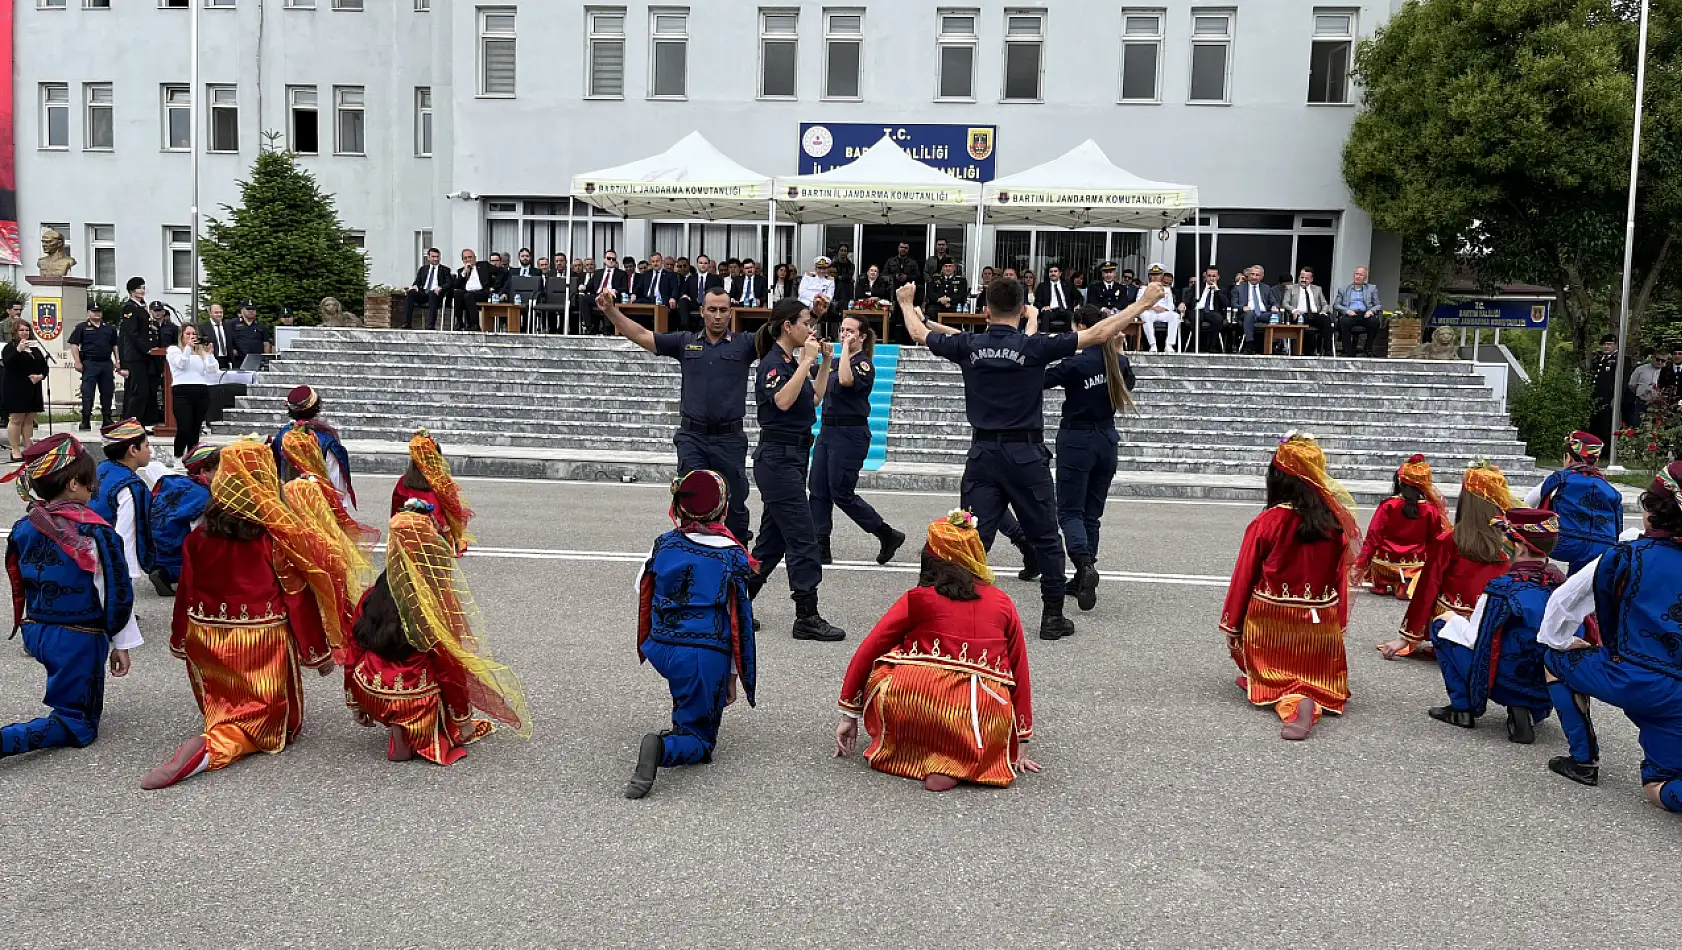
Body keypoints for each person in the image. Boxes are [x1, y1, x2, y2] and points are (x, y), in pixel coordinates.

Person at [902, 276, 1155, 640]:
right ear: (1023, 310)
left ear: (985, 310)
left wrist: (907, 302)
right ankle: (1052, 617)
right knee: (1047, 538)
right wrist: (1143, 302)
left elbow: (919, 334)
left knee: (969, 535)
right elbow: (1099, 334)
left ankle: (957, 613)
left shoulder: (969, 344)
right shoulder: (1034, 346)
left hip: (983, 454)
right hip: (1025, 455)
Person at [141, 439, 355, 790]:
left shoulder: (199, 536)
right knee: (273, 726)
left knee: (223, 697)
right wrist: (316, 653)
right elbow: (296, 599)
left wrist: (180, 639)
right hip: (260, 641)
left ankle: (220, 724)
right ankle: (213, 749)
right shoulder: (273, 538)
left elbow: (186, 593)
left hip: (206, 635)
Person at [834, 510, 1039, 791]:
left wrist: (850, 713)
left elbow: (868, 650)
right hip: (978, 716)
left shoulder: (918, 598)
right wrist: (1021, 739)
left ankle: (915, 752)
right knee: (983, 702)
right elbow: (1020, 670)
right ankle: (957, 759)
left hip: (916, 702)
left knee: (890, 656)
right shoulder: (1002, 603)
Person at [1540, 461, 1682, 813]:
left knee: (1554, 659)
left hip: (1632, 678)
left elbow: (1564, 603)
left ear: (1652, 509)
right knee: (1665, 783)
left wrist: (1560, 642)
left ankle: (1583, 761)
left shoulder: (1626, 555)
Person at [344, 505, 530, 765]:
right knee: (440, 663)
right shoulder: (433, 601)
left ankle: (395, 722)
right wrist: (463, 718)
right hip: (411, 696)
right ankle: (410, 729)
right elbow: (449, 668)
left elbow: (354, 646)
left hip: (369, 687)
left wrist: (355, 701)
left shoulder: (375, 592)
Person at [0, 435, 140, 760]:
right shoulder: (95, 532)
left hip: (37, 630)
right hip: (77, 636)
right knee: (78, 724)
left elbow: (20, 580)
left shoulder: (27, 524)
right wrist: (121, 643)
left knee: (74, 686)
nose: (94, 491)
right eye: (91, 484)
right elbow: (115, 594)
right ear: (74, 484)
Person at [626, 470, 757, 800]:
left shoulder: (664, 542)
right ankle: (664, 747)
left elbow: (641, 583)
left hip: (662, 646)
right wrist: (733, 676)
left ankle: (682, 715)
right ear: (724, 510)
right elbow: (738, 621)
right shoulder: (732, 554)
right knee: (701, 741)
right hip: (702, 650)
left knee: (688, 685)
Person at [1221, 433, 1361, 740]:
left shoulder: (1268, 521)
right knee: (1313, 664)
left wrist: (1233, 624)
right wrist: (1337, 623)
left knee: (1247, 644)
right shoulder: (1334, 524)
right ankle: (1300, 685)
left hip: (1271, 622)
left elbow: (1244, 576)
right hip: (1318, 624)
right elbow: (1340, 581)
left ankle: (1292, 699)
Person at [603, 285, 757, 545]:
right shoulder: (686, 342)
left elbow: (783, 334)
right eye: (712, 310)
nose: (717, 315)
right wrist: (610, 311)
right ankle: (692, 558)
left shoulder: (745, 344)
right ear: (701, 311)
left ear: (731, 313)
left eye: (723, 310)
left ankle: (738, 559)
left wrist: (814, 317)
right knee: (691, 498)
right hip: (692, 438)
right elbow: (642, 334)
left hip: (729, 440)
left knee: (735, 503)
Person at [744, 298, 845, 641]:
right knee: (804, 537)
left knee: (771, 543)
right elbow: (782, 401)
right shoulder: (774, 362)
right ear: (788, 326)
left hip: (794, 457)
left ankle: (735, 604)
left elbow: (813, 398)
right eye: (806, 322)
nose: (811, 329)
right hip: (777, 458)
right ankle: (806, 614)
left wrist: (826, 362)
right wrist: (805, 363)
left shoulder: (791, 361)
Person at [1426, 508, 1564, 740]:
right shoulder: (1561, 582)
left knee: (1441, 626)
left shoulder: (1501, 588)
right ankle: (1530, 709)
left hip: (1505, 681)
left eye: (1505, 540)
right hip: (1549, 681)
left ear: (1518, 548)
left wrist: (1451, 618)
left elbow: (1475, 638)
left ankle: (1462, 709)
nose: (1502, 546)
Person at [1044, 305, 1136, 611]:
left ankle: (1084, 566)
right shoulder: (1118, 361)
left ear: (1083, 327)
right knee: (1091, 514)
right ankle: (1084, 571)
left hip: (1077, 439)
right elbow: (1130, 383)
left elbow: (1041, 380)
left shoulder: (1076, 363)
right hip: (1107, 439)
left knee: (1069, 512)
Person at [1378, 460, 1515, 659]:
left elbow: (1427, 588)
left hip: (1450, 618)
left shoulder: (1450, 540)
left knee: (1425, 583)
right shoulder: (1511, 542)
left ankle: (1448, 641)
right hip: (1493, 619)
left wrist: (1405, 637)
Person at [810, 314, 905, 568]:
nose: (845, 334)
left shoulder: (863, 364)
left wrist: (845, 350)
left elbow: (845, 381)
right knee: (817, 488)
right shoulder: (836, 362)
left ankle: (886, 533)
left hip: (850, 434)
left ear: (862, 336)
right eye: (842, 330)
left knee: (841, 492)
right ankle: (821, 545)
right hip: (828, 431)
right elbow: (812, 375)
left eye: (850, 331)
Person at [1520, 431, 1624, 575]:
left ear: (1568, 458)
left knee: (1521, 538)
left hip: (1565, 543)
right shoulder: (1610, 490)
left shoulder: (1560, 479)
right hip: (1604, 545)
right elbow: (1618, 526)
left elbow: (1527, 503)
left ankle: (1532, 577)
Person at [1350, 454, 1448, 599]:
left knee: (1378, 560)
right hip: (1415, 564)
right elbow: (1436, 541)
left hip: (1384, 564)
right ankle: (1407, 582)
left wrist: (1360, 564)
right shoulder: (1430, 510)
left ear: (1400, 481)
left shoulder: (1388, 505)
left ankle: (1383, 583)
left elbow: (1373, 537)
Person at [90, 419, 156, 596]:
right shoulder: (131, 487)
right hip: (106, 554)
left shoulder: (102, 468)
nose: (149, 451)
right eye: (146, 445)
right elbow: (125, 535)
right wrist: (126, 572)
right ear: (133, 450)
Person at [147, 444, 220, 595]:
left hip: (153, 547)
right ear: (204, 470)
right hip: (173, 549)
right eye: (220, 469)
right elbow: (199, 532)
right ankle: (167, 573)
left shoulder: (177, 482)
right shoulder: (203, 495)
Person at [390, 429, 474, 556]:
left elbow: (395, 511)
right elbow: (454, 510)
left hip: (409, 534)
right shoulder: (442, 481)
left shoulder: (404, 481)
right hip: (436, 534)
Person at [273, 385, 356, 510]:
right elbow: (337, 486)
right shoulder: (326, 440)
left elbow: (275, 470)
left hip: (289, 506)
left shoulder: (282, 435)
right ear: (317, 406)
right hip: (319, 509)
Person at [164, 325, 215, 458]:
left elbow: (212, 370)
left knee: (195, 429)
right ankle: (178, 457)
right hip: (182, 391)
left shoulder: (201, 352)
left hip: (201, 391)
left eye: (194, 334)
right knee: (184, 427)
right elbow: (181, 364)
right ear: (182, 335)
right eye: (188, 334)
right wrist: (188, 347)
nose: (191, 336)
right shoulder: (174, 350)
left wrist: (209, 354)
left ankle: (192, 459)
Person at [69, 299, 119, 431]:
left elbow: (115, 345)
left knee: (107, 392)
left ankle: (107, 418)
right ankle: (85, 419)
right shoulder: (82, 327)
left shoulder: (109, 328)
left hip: (106, 363)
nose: (96, 314)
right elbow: (74, 344)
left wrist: (118, 360)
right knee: (87, 393)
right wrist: (77, 361)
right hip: (89, 363)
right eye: (94, 311)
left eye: (98, 312)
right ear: (88, 313)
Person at [3, 320, 49, 462]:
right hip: (16, 387)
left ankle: (29, 448)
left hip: (33, 387)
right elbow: (8, 363)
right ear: (15, 333)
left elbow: (44, 365)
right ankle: (15, 450)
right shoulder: (10, 347)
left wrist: (40, 376)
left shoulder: (34, 348)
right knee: (16, 419)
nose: (24, 333)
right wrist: (19, 350)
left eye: (27, 330)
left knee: (29, 419)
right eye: (21, 330)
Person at [118, 278, 160, 425]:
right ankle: (129, 422)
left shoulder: (142, 307)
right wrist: (147, 348)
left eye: (143, 288)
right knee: (138, 391)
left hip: (144, 356)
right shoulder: (129, 308)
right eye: (139, 288)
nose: (142, 291)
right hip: (135, 355)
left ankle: (140, 422)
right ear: (132, 291)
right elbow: (132, 333)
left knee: (145, 392)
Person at [1333, 267, 1385, 357]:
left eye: (1361, 275)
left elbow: (1378, 305)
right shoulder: (1344, 289)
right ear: (1354, 275)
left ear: (1365, 278)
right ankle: (1348, 351)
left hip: (1365, 314)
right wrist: (1347, 310)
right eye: (1357, 274)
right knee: (1343, 323)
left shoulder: (1372, 289)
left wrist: (1371, 311)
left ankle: (1368, 349)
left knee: (1375, 322)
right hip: (1350, 314)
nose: (1358, 276)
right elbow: (1336, 305)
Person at [1281, 266, 1332, 356]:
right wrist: (1294, 310)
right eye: (1302, 277)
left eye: (1306, 278)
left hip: (1316, 314)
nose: (1303, 280)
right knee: (1302, 322)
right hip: (1300, 313)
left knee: (1327, 321)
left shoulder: (1317, 289)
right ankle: (1303, 350)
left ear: (1311, 279)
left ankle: (1327, 350)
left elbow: (1325, 304)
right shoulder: (1290, 288)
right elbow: (1285, 303)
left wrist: (1323, 311)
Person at [1232, 265, 1282, 353]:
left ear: (1262, 277)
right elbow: (1233, 304)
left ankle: (1273, 344)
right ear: (1248, 275)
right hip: (1247, 313)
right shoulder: (1238, 288)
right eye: (1252, 274)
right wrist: (1242, 307)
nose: (1254, 277)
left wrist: (1275, 306)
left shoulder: (1267, 288)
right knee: (1249, 314)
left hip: (1263, 314)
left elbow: (1274, 302)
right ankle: (1249, 345)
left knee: (1276, 314)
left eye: (1257, 275)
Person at [403, 247, 453, 330]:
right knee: (411, 293)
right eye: (433, 257)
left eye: (437, 257)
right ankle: (407, 323)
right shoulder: (423, 269)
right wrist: (414, 286)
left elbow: (449, 284)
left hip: (437, 294)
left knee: (432, 294)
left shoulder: (445, 270)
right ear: (428, 258)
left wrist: (440, 287)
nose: (436, 259)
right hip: (424, 293)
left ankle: (431, 325)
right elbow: (417, 282)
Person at [1185, 267, 1231, 353]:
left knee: (1218, 319)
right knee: (1196, 318)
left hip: (1212, 312)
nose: (1211, 278)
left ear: (1218, 277)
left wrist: (1217, 291)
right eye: (1209, 276)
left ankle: (1212, 346)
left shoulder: (1222, 289)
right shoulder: (1197, 286)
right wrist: (1183, 303)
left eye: (1214, 276)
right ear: (1205, 277)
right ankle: (1195, 346)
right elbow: (1187, 298)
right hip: (1198, 310)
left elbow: (1226, 304)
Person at [1137, 265, 1179, 352]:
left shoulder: (1166, 289)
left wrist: (1164, 308)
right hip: (1149, 312)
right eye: (1153, 274)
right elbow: (1138, 304)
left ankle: (1169, 344)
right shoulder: (1143, 289)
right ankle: (1152, 344)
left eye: (1158, 274)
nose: (1155, 277)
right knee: (1145, 316)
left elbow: (1171, 306)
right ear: (1149, 276)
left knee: (1175, 316)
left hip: (1162, 313)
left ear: (1162, 276)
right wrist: (1152, 307)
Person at [1589, 334, 1620, 444]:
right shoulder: (1599, 359)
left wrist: (1615, 397)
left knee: (1605, 425)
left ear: (1616, 345)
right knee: (1594, 423)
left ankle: (1605, 450)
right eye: (1605, 344)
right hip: (1596, 397)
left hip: (1608, 398)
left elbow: (1622, 380)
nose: (1606, 347)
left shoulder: (1619, 360)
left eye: (1609, 344)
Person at [455, 249, 496, 331]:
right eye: (465, 258)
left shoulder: (484, 265)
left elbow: (501, 273)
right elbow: (456, 285)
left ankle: (474, 324)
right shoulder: (461, 271)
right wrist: (464, 273)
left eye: (470, 257)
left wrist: (494, 287)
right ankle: (459, 322)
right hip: (467, 293)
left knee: (468, 296)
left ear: (475, 258)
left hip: (482, 293)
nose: (468, 260)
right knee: (457, 293)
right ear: (462, 260)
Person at [1033, 263, 1080, 332]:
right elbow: (1037, 302)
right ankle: (1044, 338)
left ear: (1060, 273)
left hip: (1065, 310)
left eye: (1055, 271)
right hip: (1050, 310)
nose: (1053, 273)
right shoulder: (1042, 286)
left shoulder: (1068, 284)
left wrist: (1078, 305)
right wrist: (1043, 307)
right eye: (1051, 272)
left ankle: (1067, 339)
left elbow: (1079, 297)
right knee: (1045, 314)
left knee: (1070, 315)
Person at [226, 299, 272, 367]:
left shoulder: (261, 326)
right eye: (248, 309)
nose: (251, 311)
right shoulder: (233, 324)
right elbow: (227, 339)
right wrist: (232, 349)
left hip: (257, 361)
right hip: (239, 361)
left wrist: (266, 360)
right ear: (242, 310)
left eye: (253, 309)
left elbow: (266, 344)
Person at [1629, 349, 1667, 428]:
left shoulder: (1667, 372)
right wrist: (1640, 393)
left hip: (1658, 405)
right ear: (1653, 358)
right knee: (1638, 425)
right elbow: (1632, 385)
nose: (1659, 362)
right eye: (1657, 359)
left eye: (1663, 361)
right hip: (1641, 402)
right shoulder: (1640, 369)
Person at [196, 302, 234, 369]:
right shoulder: (202, 327)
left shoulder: (228, 325)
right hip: (212, 360)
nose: (219, 314)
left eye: (221, 312)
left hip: (227, 361)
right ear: (210, 313)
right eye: (216, 312)